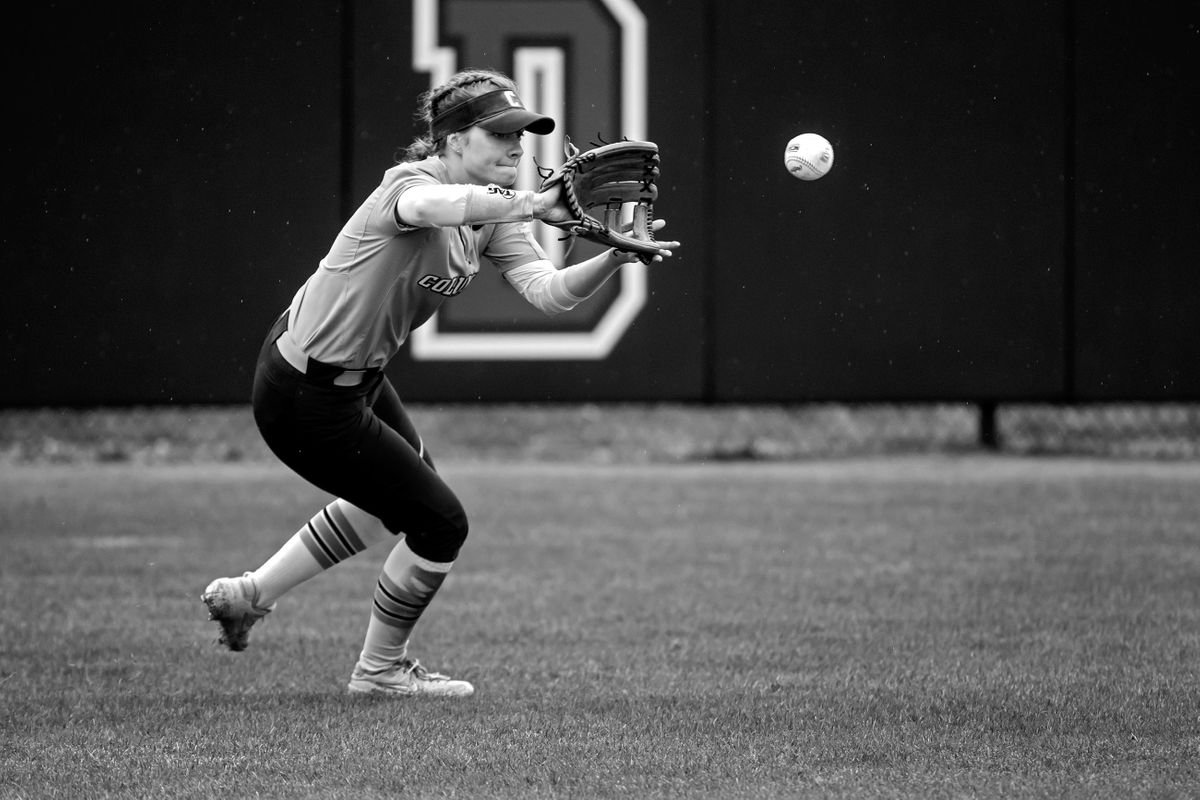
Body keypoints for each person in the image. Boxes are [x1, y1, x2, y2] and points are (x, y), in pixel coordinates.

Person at [201, 69, 679, 698]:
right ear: (453, 141)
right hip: (304, 394)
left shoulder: (494, 215)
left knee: (403, 497)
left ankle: (250, 595)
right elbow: (427, 209)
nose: (516, 146)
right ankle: (379, 672)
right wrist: (533, 204)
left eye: (521, 134)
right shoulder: (409, 184)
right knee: (439, 523)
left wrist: (613, 257)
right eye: (499, 134)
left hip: (356, 382)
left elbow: (548, 292)